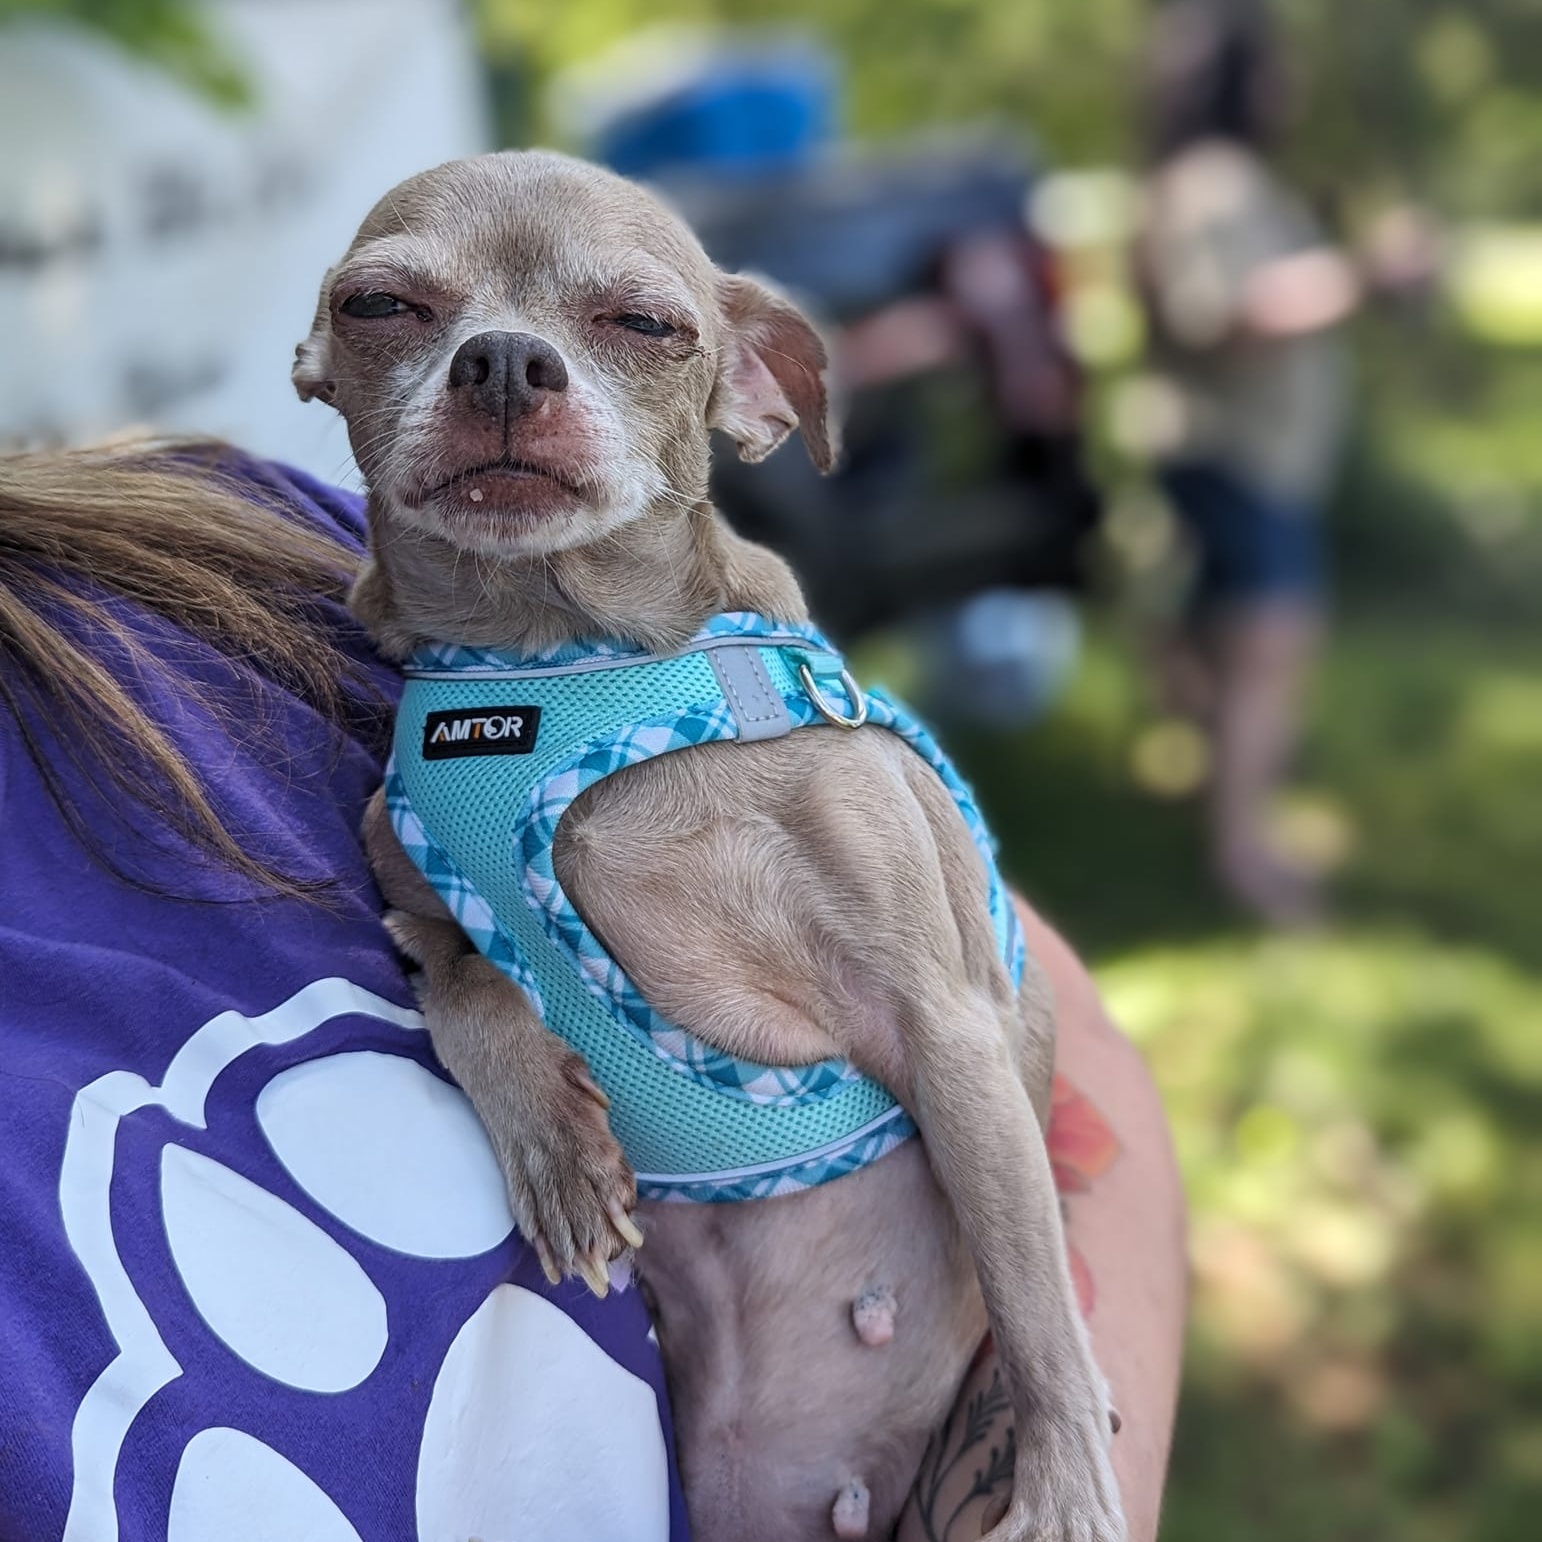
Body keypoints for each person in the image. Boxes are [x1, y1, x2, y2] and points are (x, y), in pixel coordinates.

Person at [0, 440, 1183, 1540]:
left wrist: (1063, 1445)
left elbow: (985, 982)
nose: (504, 376)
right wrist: (479, 1022)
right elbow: (439, 921)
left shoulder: (215, 561)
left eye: (635, 325)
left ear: (755, 398)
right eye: (390, 309)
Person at [1136, 0, 1356, 925]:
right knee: (1268, 649)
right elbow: (1224, 314)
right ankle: (1245, 859)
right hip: (1234, 455)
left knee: (1221, 646)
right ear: (1236, 79)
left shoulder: (1219, 180)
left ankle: (1222, 811)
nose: (1287, 85)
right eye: (1271, 67)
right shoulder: (1214, 182)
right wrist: (1361, 276)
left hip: (1247, 457)